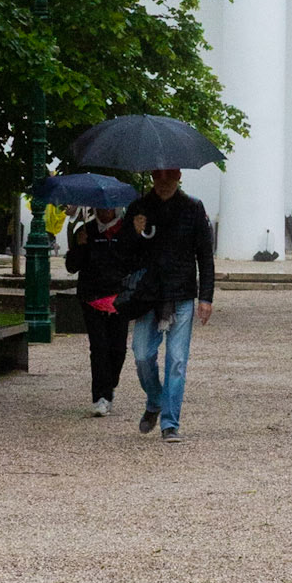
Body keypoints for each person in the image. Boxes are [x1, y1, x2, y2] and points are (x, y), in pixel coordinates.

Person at [124, 169, 214, 443]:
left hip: (181, 292)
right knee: (141, 354)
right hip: (148, 294)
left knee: (176, 362)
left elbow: (205, 255)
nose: (163, 183)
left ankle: (170, 423)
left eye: (168, 178)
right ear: (152, 178)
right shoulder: (139, 207)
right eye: (158, 178)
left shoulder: (193, 207)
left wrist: (206, 297)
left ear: (178, 178)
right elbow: (125, 254)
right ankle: (155, 400)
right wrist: (134, 232)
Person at [66, 206, 129, 414]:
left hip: (119, 298)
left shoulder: (126, 230)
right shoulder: (85, 230)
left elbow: (136, 261)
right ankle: (100, 395)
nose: (106, 212)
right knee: (99, 347)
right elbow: (72, 266)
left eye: (110, 208)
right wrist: (80, 246)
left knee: (118, 348)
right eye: (101, 208)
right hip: (92, 296)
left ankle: (109, 385)